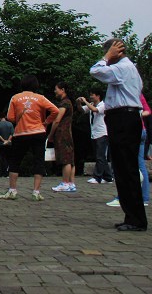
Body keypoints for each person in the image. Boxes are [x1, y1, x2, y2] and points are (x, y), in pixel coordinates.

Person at [90, 39, 147, 231]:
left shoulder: (122, 68)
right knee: (123, 169)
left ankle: (136, 219)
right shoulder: (129, 69)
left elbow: (95, 71)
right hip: (124, 118)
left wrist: (108, 56)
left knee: (126, 169)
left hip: (124, 118)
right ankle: (131, 216)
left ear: (116, 52)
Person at [0, 75, 59, 201]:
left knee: (15, 161)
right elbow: (55, 110)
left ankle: (12, 191)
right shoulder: (40, 98)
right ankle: (36, 192)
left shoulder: (15, 98)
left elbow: (10, 118)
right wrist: (46, 122)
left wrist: (20, 116)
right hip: (38, 132)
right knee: (38, 161)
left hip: (21, 133)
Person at [77, 88, 113, 184]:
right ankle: (109, 177)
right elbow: (82, 110)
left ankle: (97, 177)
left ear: (98, 96)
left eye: (92, 95)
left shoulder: (103, 105)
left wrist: (85, 101)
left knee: (100, 156)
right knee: (101, 157)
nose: (90, 96)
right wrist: (79, 103)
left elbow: (94, 110)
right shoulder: (91, 104)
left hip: (102, 133)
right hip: (95, 134)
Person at [49, 82, 77, 192]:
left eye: (56, 89)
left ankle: (65, 182)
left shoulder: (64, 103)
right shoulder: (69, 102)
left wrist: (51, 135)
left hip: (62, 134)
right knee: (70, 158)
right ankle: (71, 183)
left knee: (65, 159)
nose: (55, 91)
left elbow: (57, 120)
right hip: (68, 133)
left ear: (62, 90)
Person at [0, 112, 14, 178]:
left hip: (1, 143)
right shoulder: (10, 124)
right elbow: (12, 133)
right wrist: (8, 140)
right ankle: (9, 173)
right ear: (5, 117)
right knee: (9, 158)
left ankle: (4, 173)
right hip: (9, 143)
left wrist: (4, 141)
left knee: (2, 158)